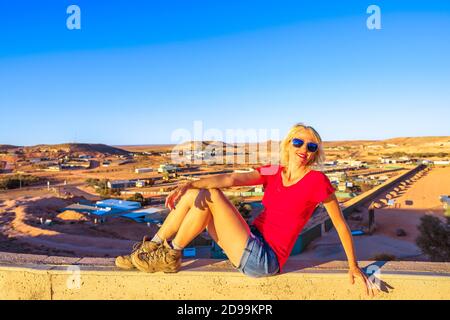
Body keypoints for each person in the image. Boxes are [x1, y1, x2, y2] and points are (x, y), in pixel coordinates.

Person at [115, 123, 378, 296]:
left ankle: (171, 254)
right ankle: (153, 249)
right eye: (298, 143)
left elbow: (341, 224)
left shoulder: (316, 181)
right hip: (250, 241)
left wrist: (353, 266)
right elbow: (232, 179)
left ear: (315, 153)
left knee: (211, 196)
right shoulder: (276, 171)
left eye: (311, 147)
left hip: (265, 259)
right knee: (197, 193)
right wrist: (189, 183)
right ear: (288, 144)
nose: (304, 150)